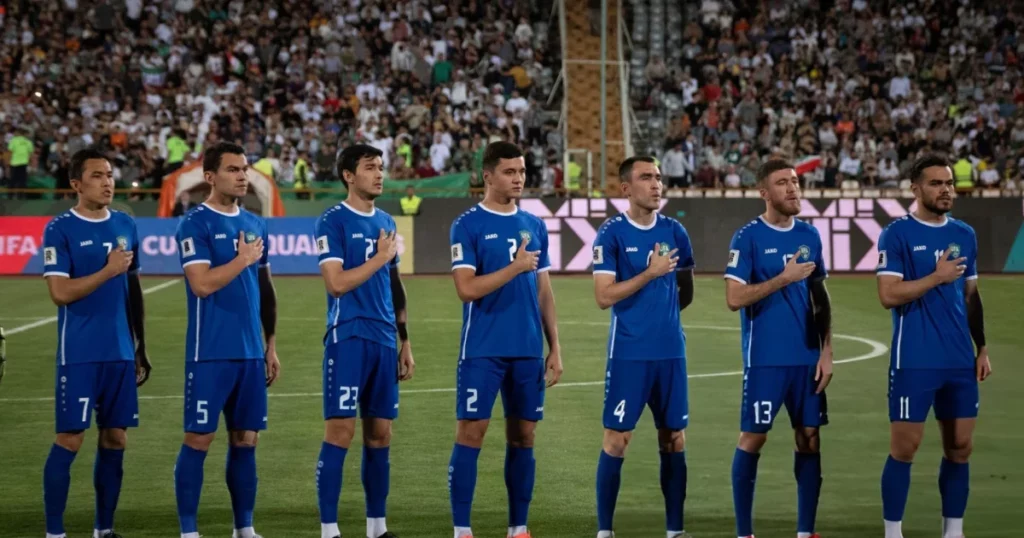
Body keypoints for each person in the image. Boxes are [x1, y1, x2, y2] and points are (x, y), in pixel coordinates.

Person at [447, 141, 564, 538]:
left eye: (522, 172)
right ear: (488, 176)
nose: (519, 179)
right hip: (483, 349)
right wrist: (514, 268)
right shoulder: (467, 225)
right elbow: (466, 289)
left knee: (524, 435)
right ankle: (462, 529)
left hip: (528, 351)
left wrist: (555, 348)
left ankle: (519, 528)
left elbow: (544, 290)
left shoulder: (534, 224)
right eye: (510, 172)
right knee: (471, 432)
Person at [876, 154, 992, 538]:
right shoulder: (897, 234)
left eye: (949, 184)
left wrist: (983, 348)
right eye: (936, 184)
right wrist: (936, 276)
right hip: (914, 360)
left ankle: (953, 531)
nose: (946, 190)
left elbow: (972, 296)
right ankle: (894, 532)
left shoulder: (964, 234)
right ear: (916, 189)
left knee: (960, 447)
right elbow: (889, 295)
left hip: (959, 359)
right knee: (905, 448)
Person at [40, 148, 152, 538]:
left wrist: (140, 345)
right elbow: (60, 293)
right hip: (80, 354)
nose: (108, 182)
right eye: (97, 176)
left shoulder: (124, 223)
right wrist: (107, 271)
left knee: (116, 437)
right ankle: (55, 532)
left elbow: (132, 288)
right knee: (70, 438)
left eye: (110, 174)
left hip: (120, 352)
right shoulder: (59, 229)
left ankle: (104, 529)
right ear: (76, 184)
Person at [173, 142, 281, 538]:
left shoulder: (255, 223)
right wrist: (242, 260)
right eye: (233, 169)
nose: (242, 176)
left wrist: (270, 344)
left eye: (245, 169)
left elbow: (266, 289)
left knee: (246, 440)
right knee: (199, 438)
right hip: (210, 352)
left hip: (251, 352)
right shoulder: (194, 224)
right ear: (210, 177)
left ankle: (244, 528)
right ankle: (189, 531)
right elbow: (201, 285)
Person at [723, 159, 833, 538]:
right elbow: (734, 297)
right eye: (783, 183)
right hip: (765, 360)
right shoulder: (748, 236)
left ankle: (806, 532)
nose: (793, 189)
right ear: (765, 193)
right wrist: (782, 278)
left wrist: (827, 351)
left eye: (796, 181)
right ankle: (743, 532)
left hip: (806, 359)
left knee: (810, 437)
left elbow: (820, 295)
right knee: (754, 437)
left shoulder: (810, 236)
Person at [313, 144, 415, 538]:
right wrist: (379, 256)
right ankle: (330, 530)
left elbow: (394, 285)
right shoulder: (332, 221)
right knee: (341, 430)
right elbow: (336, 284)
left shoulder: (386, 221)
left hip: (383, 339)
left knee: (381, 434)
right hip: (348, 335)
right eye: (370, 167)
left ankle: (377, 528)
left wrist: (404, 340)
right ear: (348, 175)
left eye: (381, 167)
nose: (379, 174)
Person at [592, 156, 696, 538]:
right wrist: (649, 274)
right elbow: (604, 296)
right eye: (646, 178)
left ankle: (675, 530)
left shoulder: (675, 232)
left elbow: (685, 291)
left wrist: (663, 319)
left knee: (673, 437)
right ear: (625, 188)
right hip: (629, 354)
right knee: (617, 439)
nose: (656, 185)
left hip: (670, 352)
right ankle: (605, 531)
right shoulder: (611, 234)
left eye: (658, 177)